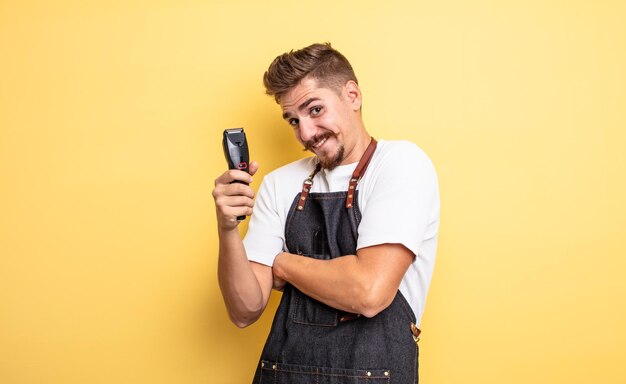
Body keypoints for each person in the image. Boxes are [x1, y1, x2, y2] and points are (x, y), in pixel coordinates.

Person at [212, 43, 439, 384]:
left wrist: (283, 263)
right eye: (293, 120)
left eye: (315, 110)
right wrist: (227, 228)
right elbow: (244, 310)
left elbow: (369, 292)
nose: (305, 134)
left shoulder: (400, 164)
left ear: (352, 96)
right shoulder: (279, 183)